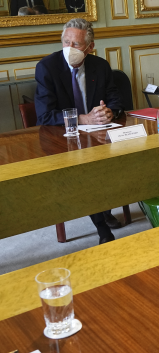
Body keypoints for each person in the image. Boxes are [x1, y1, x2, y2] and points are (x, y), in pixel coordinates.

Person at [35, 18, 126, 244]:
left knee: (125, 159)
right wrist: (83, 118)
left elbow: (115, 98)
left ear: (90, 47)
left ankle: (105, 209)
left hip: (99, 135)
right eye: (66, 42)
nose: (69, 49)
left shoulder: (100, 66)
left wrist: (110, 112)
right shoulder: (47, 67)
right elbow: (45, 116)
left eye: (75, 45)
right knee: (86, 170)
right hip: (65, 140)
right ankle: (102, 226)